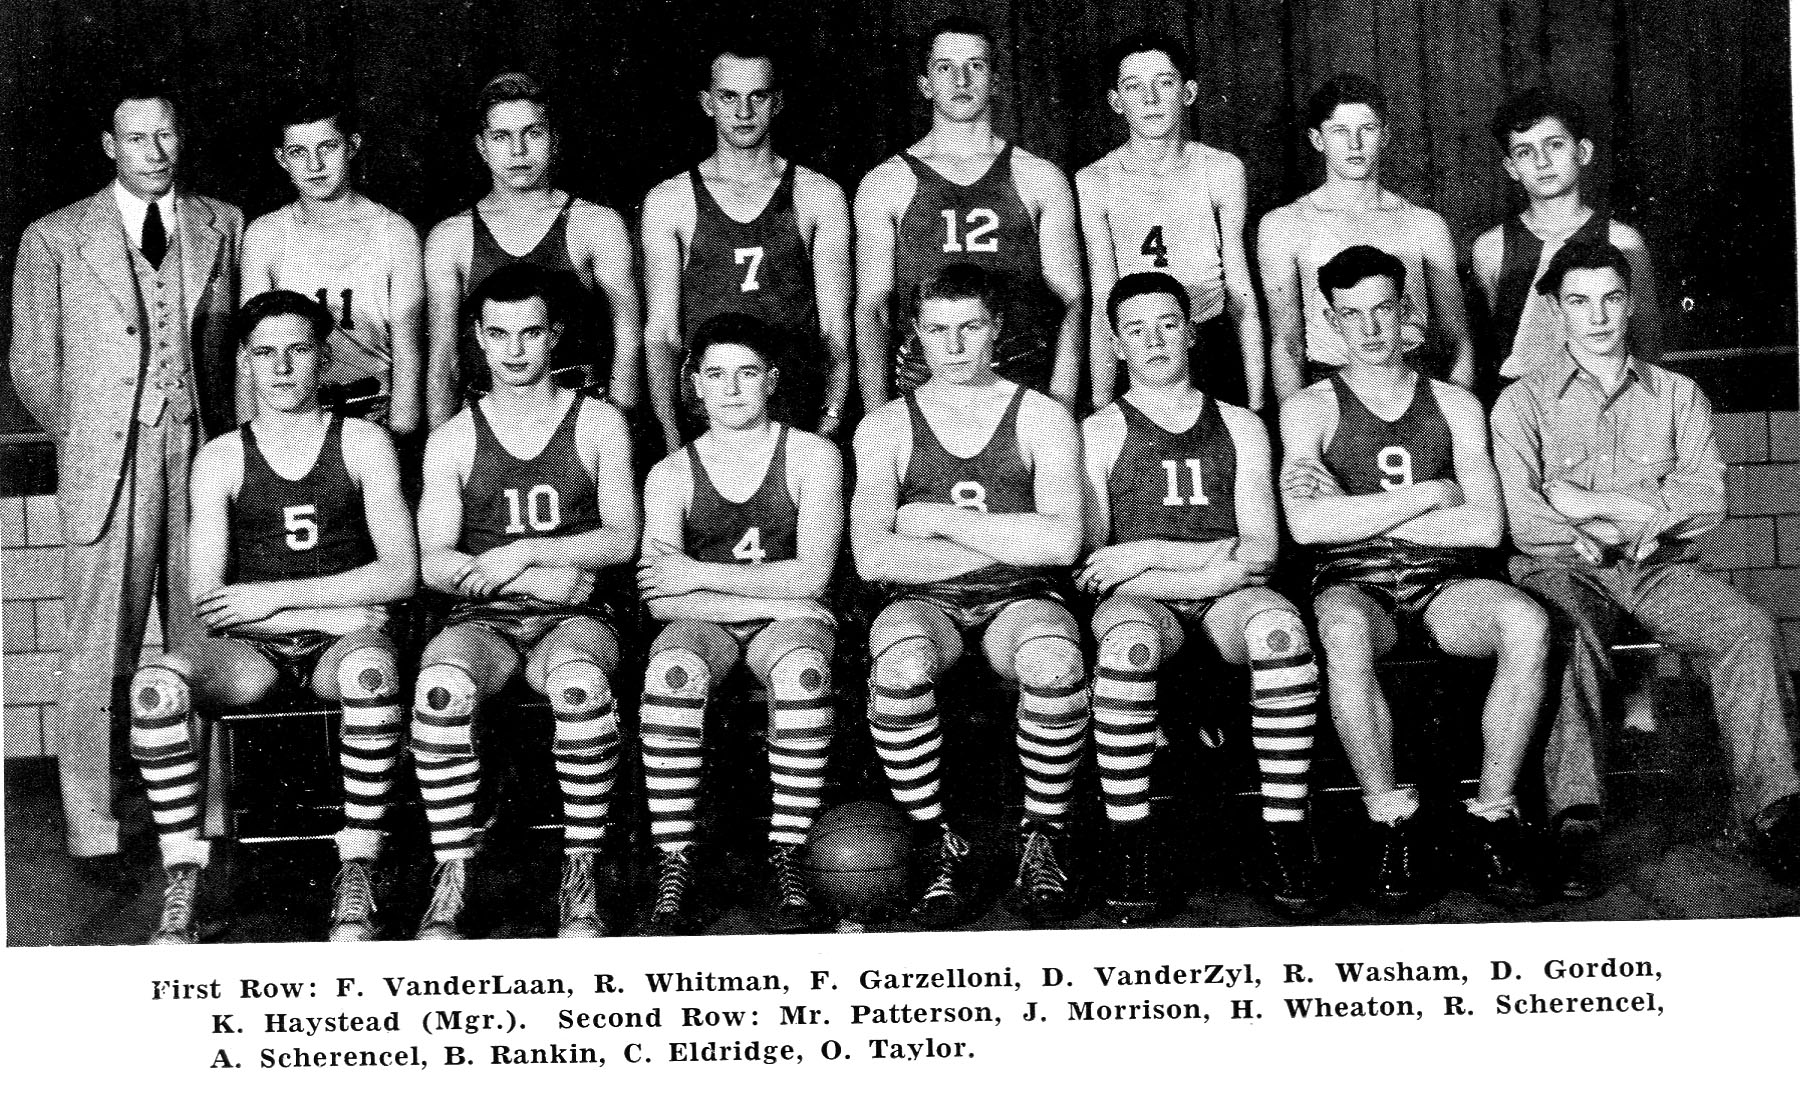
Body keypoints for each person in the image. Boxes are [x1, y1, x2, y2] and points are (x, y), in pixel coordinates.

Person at [1490, 239, 1800, 897]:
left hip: (1658, 569)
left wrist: (1591, 506)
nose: (1597, 315)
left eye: (1610, 298)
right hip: (1560, 568)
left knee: (1749, 628)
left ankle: (1771, 813)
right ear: (1556, 309)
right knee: (1566, 632)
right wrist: (1631, 519)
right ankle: (1575, 820)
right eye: (1579, 300)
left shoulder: (1677, 394)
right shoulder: (1520, 402)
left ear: (1630, 303)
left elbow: (1707, 501)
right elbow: (1523, 519)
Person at [125, 290, 416, 943]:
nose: (281, 367)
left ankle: (358, 866)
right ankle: (182, 876)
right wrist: (326, 610)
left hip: (342, 652)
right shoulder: (224, 455)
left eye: (297, 350)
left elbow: (401, 573)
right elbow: (211, 596)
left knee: (370, 671)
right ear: (247, 363)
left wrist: (278, 599)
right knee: (154, 687)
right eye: (265, 353)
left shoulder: (364, 442)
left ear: (323, 357)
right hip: (252, 652)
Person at [9, 82, 242, 870]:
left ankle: (212, 810)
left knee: (203, 635)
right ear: (111, 146)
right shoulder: (54, 236)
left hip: (203, 453)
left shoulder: (223, 225)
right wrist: (97, 437)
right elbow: (35, 369)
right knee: (95, 652)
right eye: (137, 138)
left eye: (166, 136)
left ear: (182, 139)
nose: (154, 152)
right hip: (107, 464)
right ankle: (94, 822)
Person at [1280, 245, 1548, 908]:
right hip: (1356, 584)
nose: (1370, 328)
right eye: (1352, 314)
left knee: (1527, 621)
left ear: (1405, 310)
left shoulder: (1454, 403)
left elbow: (1486, 527)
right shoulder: (1309, 407)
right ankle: (1388, 823)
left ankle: (1492, 817)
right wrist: (1433, 492)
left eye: (1382, 309)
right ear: (1331, 320)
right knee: (1341, 628)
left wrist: (1354, 512)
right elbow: (1308, 529)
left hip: (1444, 584)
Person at [851, 263, 1087, 927]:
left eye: (970, 328)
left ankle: (1041, 835)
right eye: (937, 330)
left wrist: (940, 518)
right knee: (898, 665)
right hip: (924, 602)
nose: (953, 347)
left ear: (997, 329)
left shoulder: (1041, 415)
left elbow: (1064, 544)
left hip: (1021, 598)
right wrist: (1015, 537)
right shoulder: (886, 427)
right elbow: (874, 555)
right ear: (916, 337)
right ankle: (935, 840)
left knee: (1057, 665)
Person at [1081, 272, 1322, 923]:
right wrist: (1210, 564)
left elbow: (1263, 551)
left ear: (1190, 330)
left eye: (1167, 323)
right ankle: (1130, 841)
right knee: (1128, 641)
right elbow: (1098, 571)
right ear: (1117, 343)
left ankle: (1283, 833)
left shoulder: (1240, 424)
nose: (1155, 339)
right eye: (1137, 328)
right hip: (1146, 606)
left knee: (1281, 631)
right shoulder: (1099, 431)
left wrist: (1152, 552)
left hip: (1223, 602)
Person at [409, 264, 639, 939]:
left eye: (531, 332)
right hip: (486, 619)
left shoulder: (597, 422)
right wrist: (532, 572)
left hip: (577, 617)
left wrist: (524, 551)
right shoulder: (454, 436)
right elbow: (433, 560)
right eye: (500, 334)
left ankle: (581, 869)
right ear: (478, 337)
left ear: (555, 336)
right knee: (442, 689)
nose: (515, 350)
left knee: (578, 686)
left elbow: (623, 537)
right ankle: (452, 871)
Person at [635, 312, 844, 934]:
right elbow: (657, 596)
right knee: (672, 673)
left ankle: (788, 851)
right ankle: (675, 858)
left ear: (772, 380)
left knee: (803, 673)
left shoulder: (812, 456)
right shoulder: (672, 472)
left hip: (785, 625)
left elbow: (814, 579)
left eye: (747, 373)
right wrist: (766, 593)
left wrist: (696, 575)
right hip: (712, 625)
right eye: (715, 374)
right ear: (693, 382)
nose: (731, 387)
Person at [854, 15, 1085, 411]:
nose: (961, 80)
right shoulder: (886, 182)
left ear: (995, 82)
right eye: (946, 68)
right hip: (925, 391)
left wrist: (1058, 405)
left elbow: (1073, 301)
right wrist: (879, 414)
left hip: (1022, 385)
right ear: (926, 85)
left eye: (975, 66)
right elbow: (872, 308)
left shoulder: (1039, 177)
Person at [641, 39, 852, 453]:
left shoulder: (817, 194)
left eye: (758, 96)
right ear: (707, 103)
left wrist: (830, 420)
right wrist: (672, 442)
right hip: (708, 408)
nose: (743, 112)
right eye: (729, 97)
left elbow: (835, 326)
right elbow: (661, 335)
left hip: (795, 403)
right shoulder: (671, 200)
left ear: (777, 103)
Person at [423, 72, 640, 429]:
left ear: (553, 140)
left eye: (532, 133)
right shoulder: (452, 237)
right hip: (492, 421)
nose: (518, 150)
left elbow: (627, 337)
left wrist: (617, 427)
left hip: (581, 415)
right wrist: (441, 447)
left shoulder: (596, 224)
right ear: (482, 147)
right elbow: (444, 359)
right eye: (502, 136)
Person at [1075, 33, 1266, 411]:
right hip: (1139, 346)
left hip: (1208, 341)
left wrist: (1257, 403)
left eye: (1164, 83)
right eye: (1134, 87)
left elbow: (1241, 291)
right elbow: (1102, 299)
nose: (1150, 99)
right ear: (1116, 101)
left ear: (1188, 92)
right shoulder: (1095, 180)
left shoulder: (1220, 169)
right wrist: (1100, 406)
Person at [1259, 73, 1474, 403]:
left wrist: (1455, 415)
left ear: (1385, 136)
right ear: (1318, 139)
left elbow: (1456, 336)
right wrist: (1297, 424)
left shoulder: (1424, 224)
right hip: (1329, 384)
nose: (1355, 144)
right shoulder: (1285, 225)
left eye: (1367, 129)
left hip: (1411, 378)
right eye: (1340, 131)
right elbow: (1287, 341)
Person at [242, 94, 425, 434]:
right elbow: (249, 349)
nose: (314, 165)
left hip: (375, 410)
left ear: (352, 146)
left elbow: (407, 350)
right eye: (299, 152)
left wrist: (400, 435)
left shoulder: (395, 233)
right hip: (293, 415)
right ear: (281, 159)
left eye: (327, 147)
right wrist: (252, 439)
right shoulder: (266, 234)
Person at [1472, 88, 1661, 389]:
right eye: (1524, 152)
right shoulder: (1491, 248)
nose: (1542, 161)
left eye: (1555, 145)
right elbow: (1494, 349)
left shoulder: (1623, 240)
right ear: (1511, 168)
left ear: (1582, 152)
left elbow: (1647, 343)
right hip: (1526, 415)